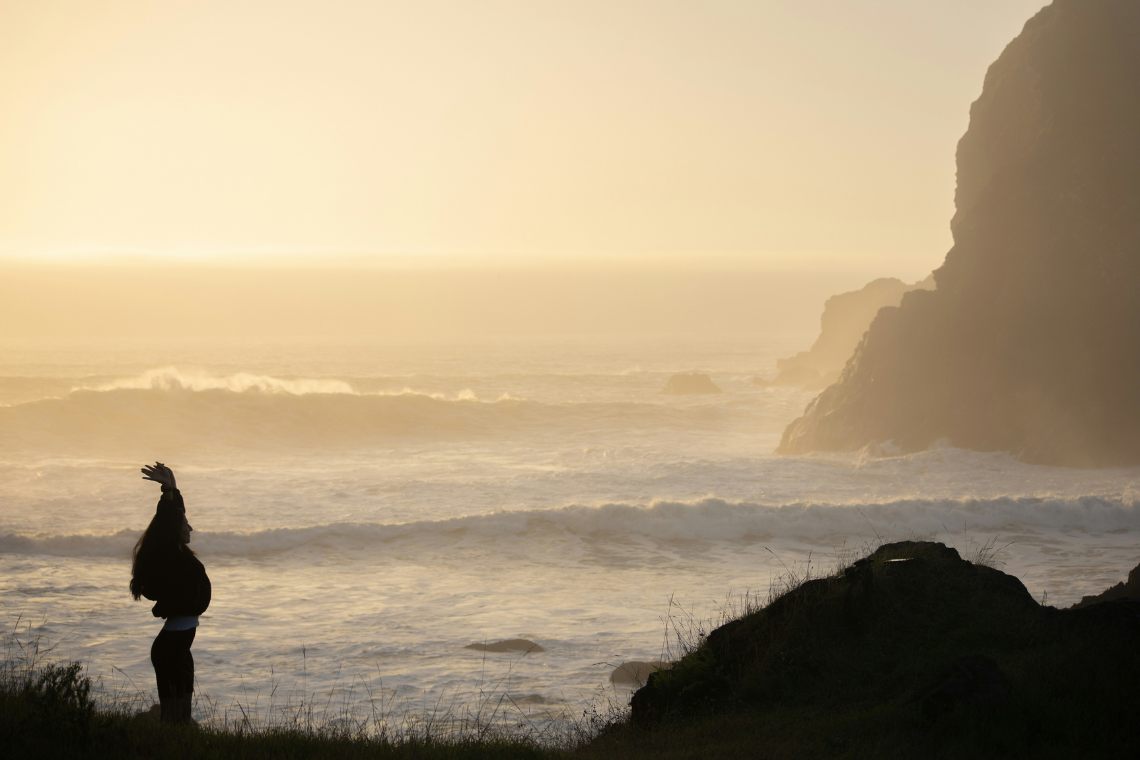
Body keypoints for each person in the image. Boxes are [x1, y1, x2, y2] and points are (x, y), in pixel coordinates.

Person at [130, 462, 211, 723]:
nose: (191, 528)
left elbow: (173, 515)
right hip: (171, 647)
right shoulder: (171, 555)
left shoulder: (177, 555)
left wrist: (173, 488)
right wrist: (168, 490)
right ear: (174, 529)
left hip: (179, 645)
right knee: (173, 716)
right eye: (185, 524)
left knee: (183, 713)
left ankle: (181, 743)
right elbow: (169, 518)